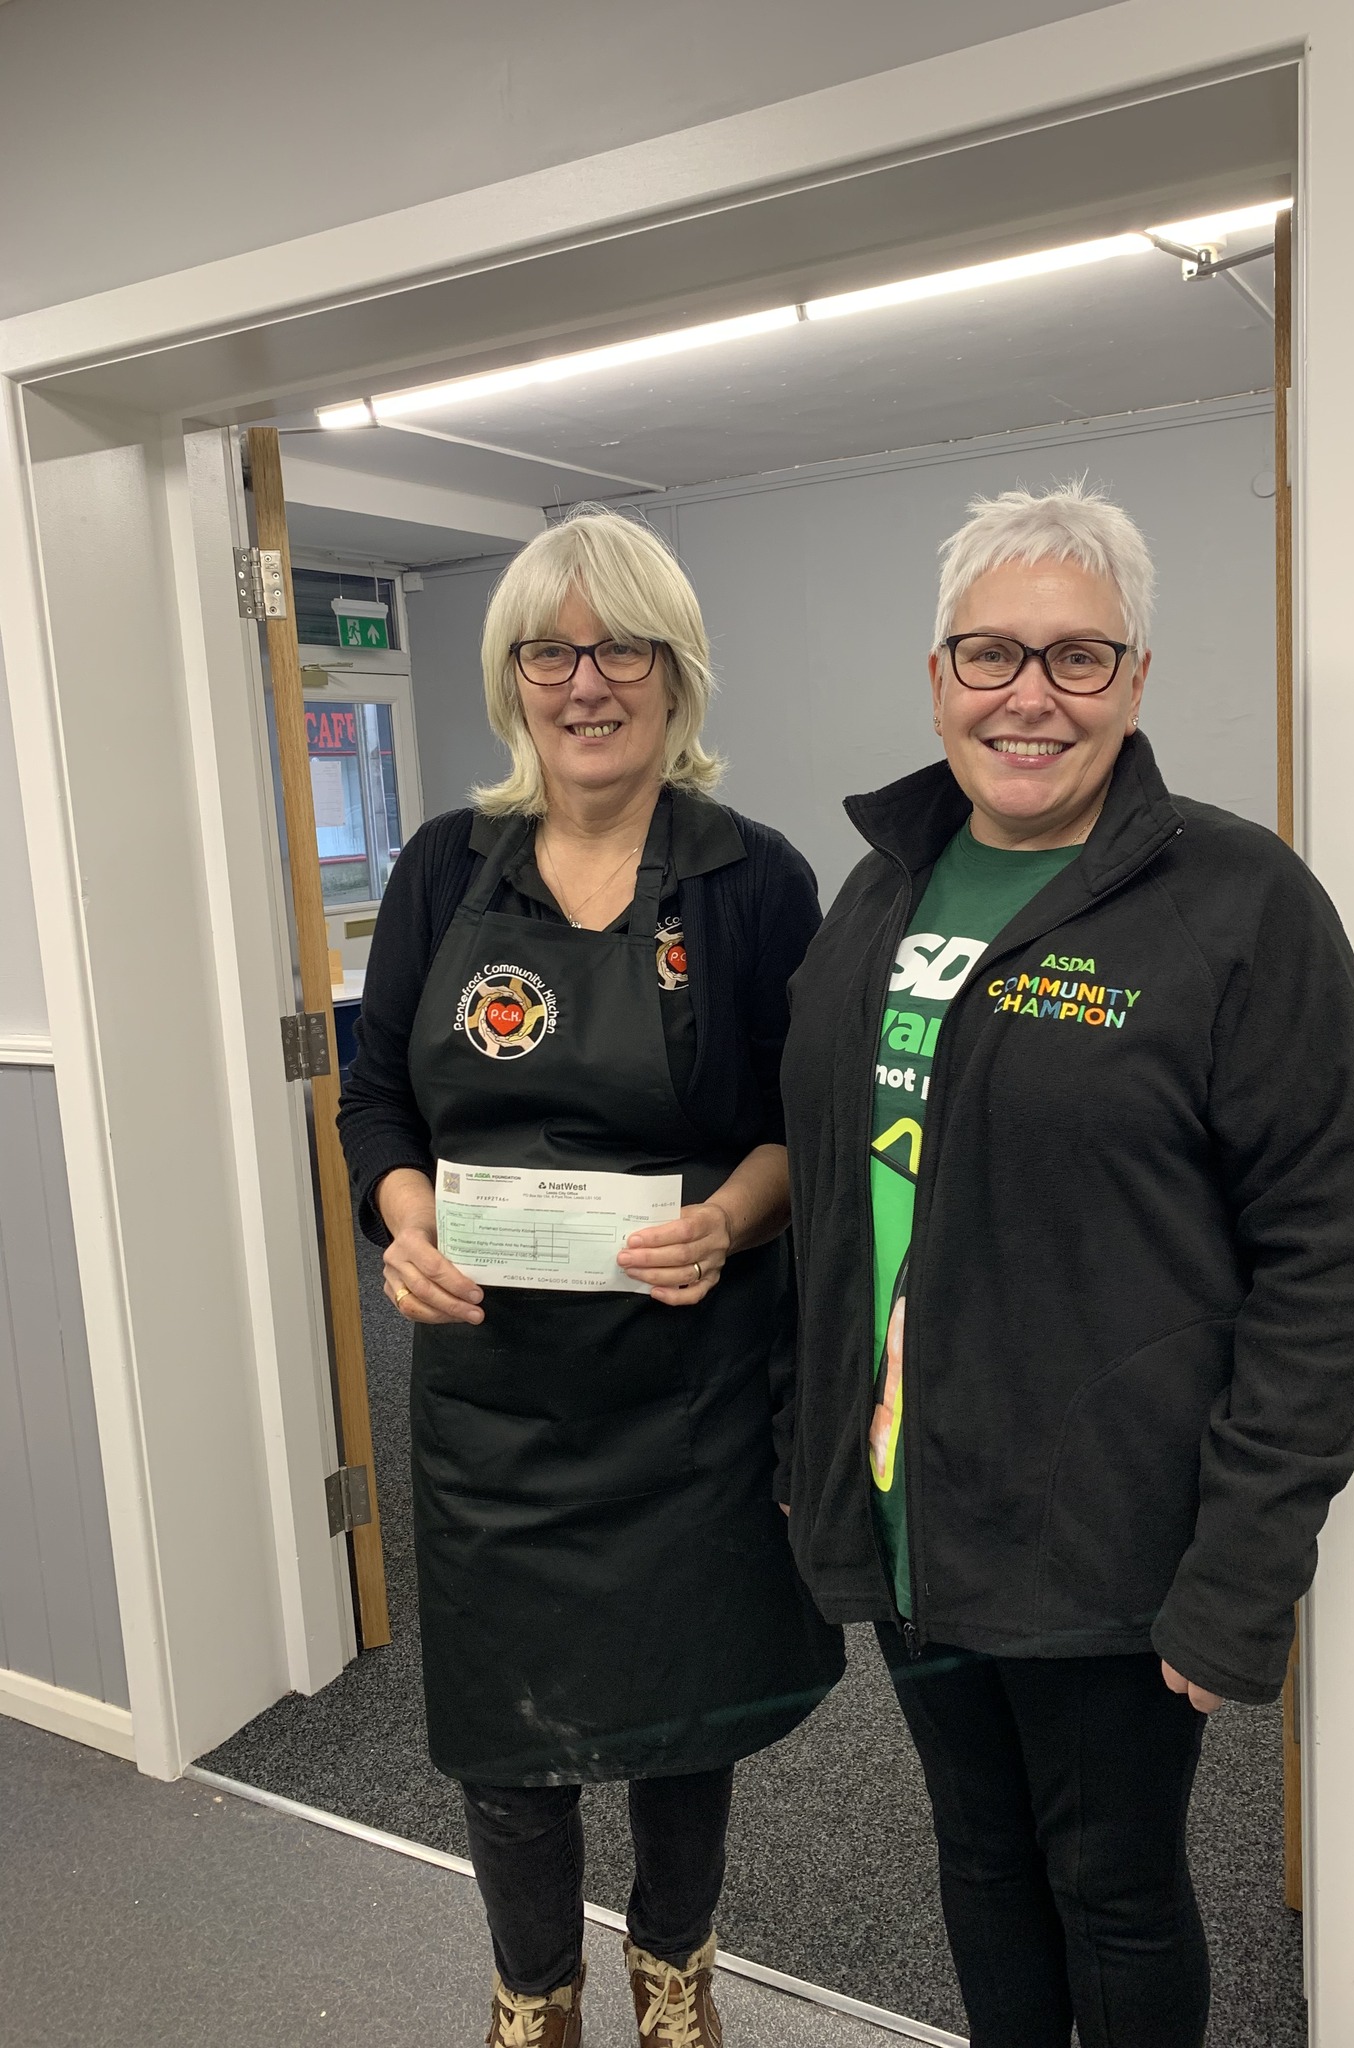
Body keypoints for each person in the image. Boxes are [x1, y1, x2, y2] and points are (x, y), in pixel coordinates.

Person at [779, 483, 1354, 2048]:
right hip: (915, 1516)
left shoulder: (1239, 902)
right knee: (981, 1859)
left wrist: (1245, 1566)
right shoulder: (882, 888)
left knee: (1111, 1886)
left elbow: (1327, 1251)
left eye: (1078, 656)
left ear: (1134, 679)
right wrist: (815, 1449)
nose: (1030, 696)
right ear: (939, 676)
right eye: (991, 654)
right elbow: (847, 1197)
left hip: (1107, 1536)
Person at [338, 508, 843, 2048]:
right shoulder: (443, 868)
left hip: (687, 1396)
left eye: (621, 647)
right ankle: (533, 1998)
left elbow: (804, 1128)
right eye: (548, 653)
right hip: (497, 1404)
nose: (585, 681)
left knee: (684, 1724)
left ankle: (674, 1975)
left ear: (674, 673)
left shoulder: (754, 880)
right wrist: (405, 1220)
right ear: (512, 679)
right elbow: (377, 1099)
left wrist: (732, 1219)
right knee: (510, 1740)